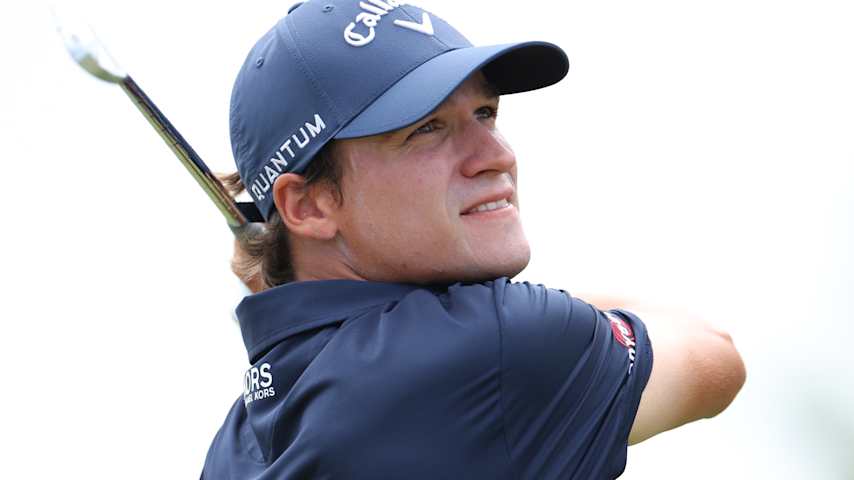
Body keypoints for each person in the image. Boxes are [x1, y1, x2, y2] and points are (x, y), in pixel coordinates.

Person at [202, 1, 746, 478]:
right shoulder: (495, 347)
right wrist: (510, 309)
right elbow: (714, 358)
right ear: (310, 205)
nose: (496, 154)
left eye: (485, 112)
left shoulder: (240, 438)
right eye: (426, 128)